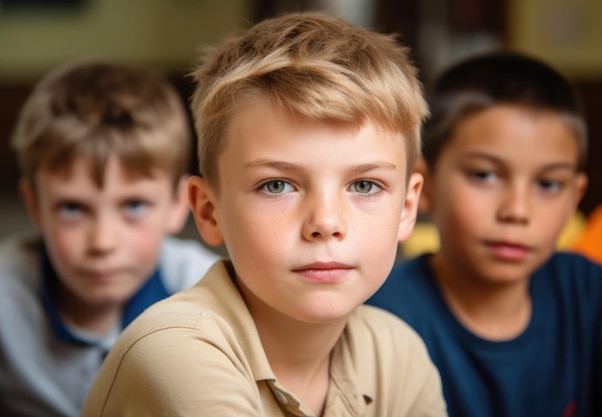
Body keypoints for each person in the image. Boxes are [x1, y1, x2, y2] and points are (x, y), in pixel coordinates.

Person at [81, 12, 448, 417]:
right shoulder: (175, 351)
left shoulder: (398, 353)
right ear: (208, 211)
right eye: (276, 185)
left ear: (407, 208)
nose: (326, 222)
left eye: (364, 185)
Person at [367, 50, 602, 417]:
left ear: (573, 199)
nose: (517, 211)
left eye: (549, 184)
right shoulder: (381, 317)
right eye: (484, 175)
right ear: (423, 188)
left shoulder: (588, 294)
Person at [0, 59, 221, 417]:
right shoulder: (7, 294)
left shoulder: (210, 295)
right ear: (35, 206)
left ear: (179, 204)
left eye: (133, 205)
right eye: (72, 208)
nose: (103, 242)